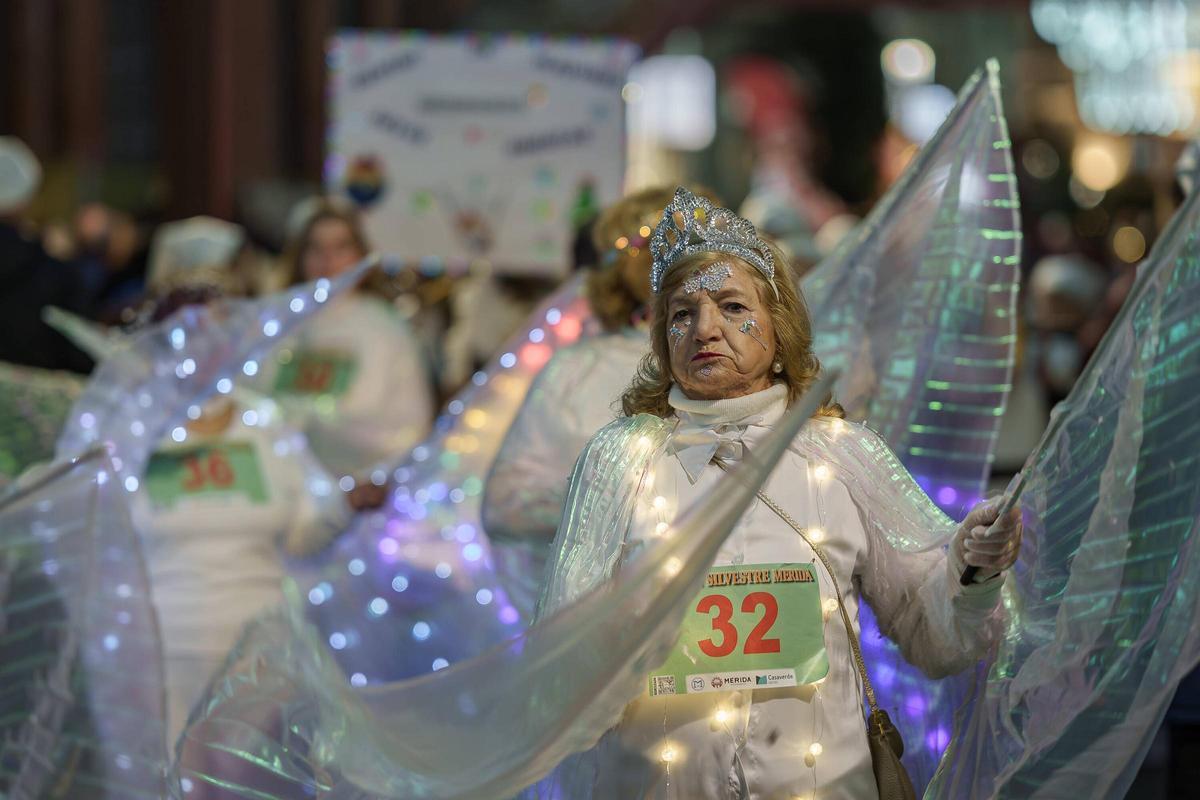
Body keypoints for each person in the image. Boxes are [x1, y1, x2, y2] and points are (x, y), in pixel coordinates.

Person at [537, 188, 1021, 798]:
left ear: (779, 324)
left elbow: (936, 634)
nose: (704, 328)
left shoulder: (843, 455)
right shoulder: (621, 459)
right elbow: (562, 668)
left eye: (732, 305)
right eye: (681, 313)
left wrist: (971, 571)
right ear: (661, 337)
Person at [131, 287, 388, 747]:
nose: (203, 345)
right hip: (160, 657)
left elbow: (303, 536)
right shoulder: (130, 430)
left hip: (262, 652)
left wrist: (345, 505)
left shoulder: (265, 422)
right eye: (187, 332)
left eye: (217, 331)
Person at [482, 186, 719, 563]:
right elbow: (506, 502)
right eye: (647, 244)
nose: (669, 257)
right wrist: (619, 503)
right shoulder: (577, 370)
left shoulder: (748, 358)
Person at [264, 200, 433, 477]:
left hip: (365, 481)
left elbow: (393, 420)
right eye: (316, 248)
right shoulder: (281, 324)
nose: (328, 261)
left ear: (360, 254)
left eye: (341, 247)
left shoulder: (381, 326)